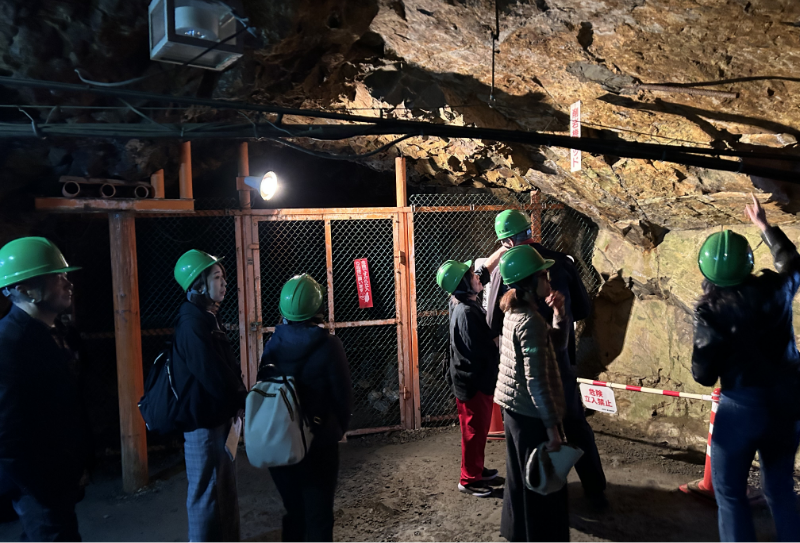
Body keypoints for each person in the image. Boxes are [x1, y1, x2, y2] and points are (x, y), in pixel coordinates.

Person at [479, 209, 607, 506]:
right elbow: (584, 310)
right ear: (529, 231)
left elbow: (492, 322)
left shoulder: (504, 271)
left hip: (526, 373)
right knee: (575, 424)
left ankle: (539, 494)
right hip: (562, 359)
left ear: (507, 241)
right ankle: (595, 490)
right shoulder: (562, 262)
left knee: (533, 436)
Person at [692, 194, 800, 543]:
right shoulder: (776, 288)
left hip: (741, 410)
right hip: (787, 402)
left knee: (730, 494)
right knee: (781, 489)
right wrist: (765, 226)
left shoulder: (711, 312)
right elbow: (793, 263)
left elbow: (703, 373)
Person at [0, 237, 84, 543]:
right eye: (57, 277)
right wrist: (41, 489)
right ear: (24, 289)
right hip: (38, 484)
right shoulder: (9, 345)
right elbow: (7, 434)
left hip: (55, 478)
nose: (68, 284)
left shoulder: (55, 332)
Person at [258, 274, 353, 543]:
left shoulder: (273, 344)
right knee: (319, 516)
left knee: (294, 513)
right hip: (317, 444)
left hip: (280, 442)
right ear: (317, 307)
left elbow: (263, 388)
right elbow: (343, 396)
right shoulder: (329, 344)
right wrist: (335, 429)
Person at [494, 244, 570, 543]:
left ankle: (517, 534)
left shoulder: (515, 312)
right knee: (542, 486)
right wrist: (552, 430)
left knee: (519, 480)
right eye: (543, 275)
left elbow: (557, 343)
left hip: (513, 408)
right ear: (529, 283)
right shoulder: (530, 322)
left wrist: (559, 313)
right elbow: (536, 381)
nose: (548, 281)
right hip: (529, 413)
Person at [172, 249, 247, 543]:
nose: (224, 283)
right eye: (217, 277)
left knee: (222, 489)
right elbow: (213, 376)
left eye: (223, 277)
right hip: (203, 423)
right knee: (206, 494)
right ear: (198, 284)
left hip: (215, 418)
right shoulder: (193, 324)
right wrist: (240, 401)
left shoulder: (204, 317)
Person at [436, 259, 500, 498]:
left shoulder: (461, 301)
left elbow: (483, 275)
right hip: (472, 382)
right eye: (472, 274)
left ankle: (476, 468)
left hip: (471, 379)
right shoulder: (466, 312)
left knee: (479, 428)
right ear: (464, 284)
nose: (477, 276)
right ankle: (469, 479)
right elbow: (480, 349)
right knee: (473, 430)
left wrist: (503, 250)